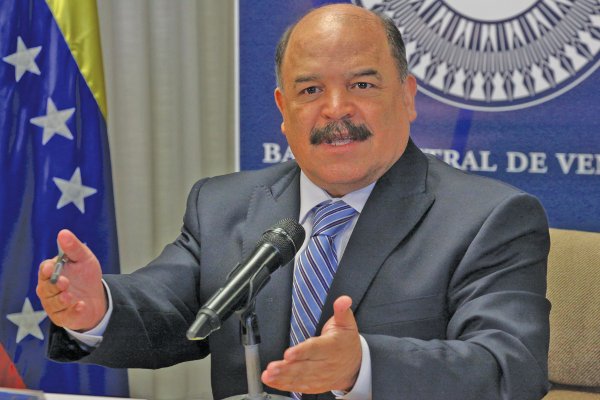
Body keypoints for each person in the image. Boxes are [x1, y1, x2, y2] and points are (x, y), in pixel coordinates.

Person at [36, 4, 550, 399]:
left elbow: (510, 368)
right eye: (309, 91)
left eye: (362, 84)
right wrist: (96, 307)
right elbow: (168, 307)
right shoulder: (223, 204)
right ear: (283, 110)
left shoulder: (487, 219)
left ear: (407, 96)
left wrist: (363, 365)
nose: (335, 109)